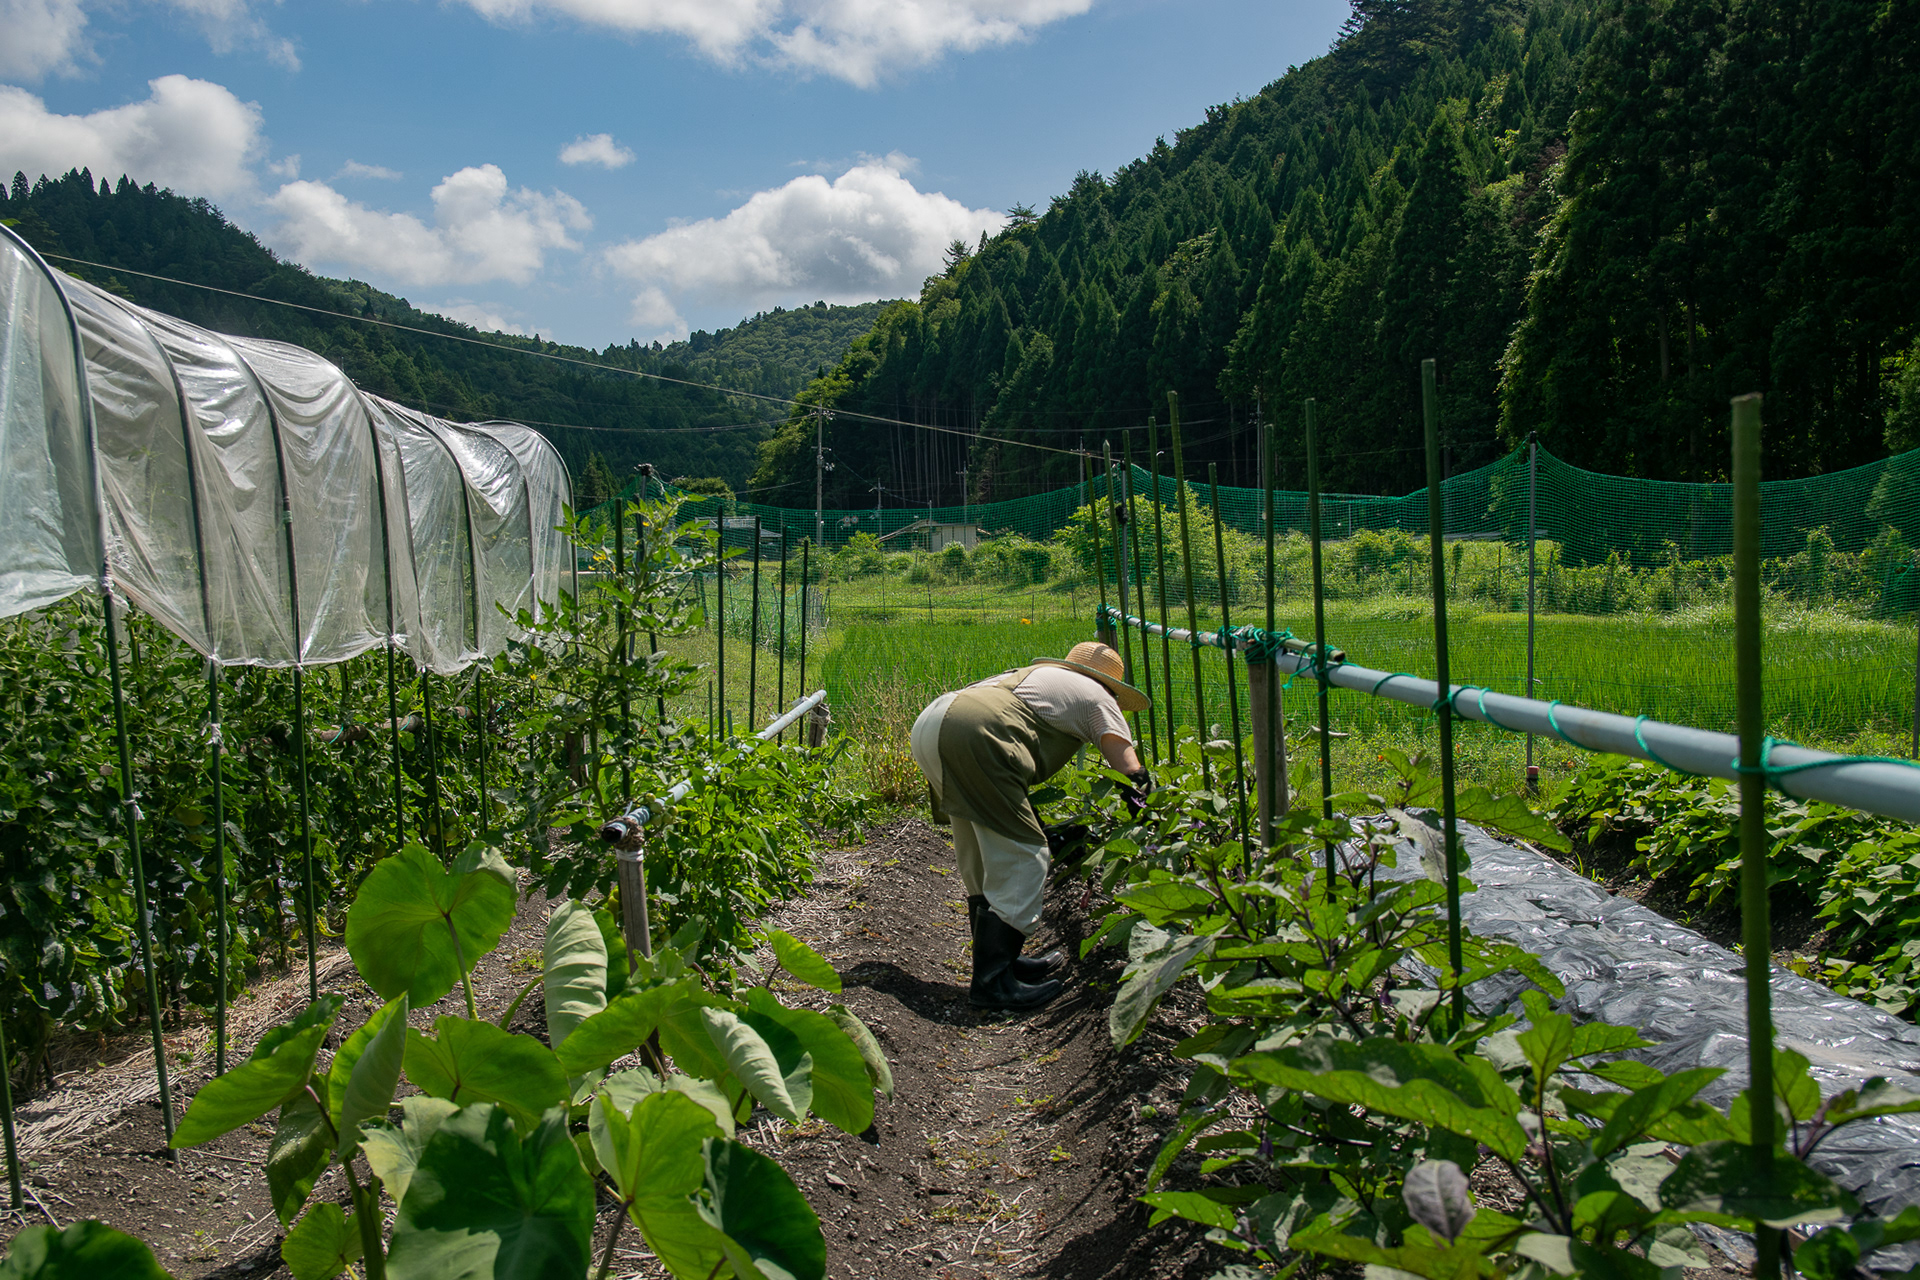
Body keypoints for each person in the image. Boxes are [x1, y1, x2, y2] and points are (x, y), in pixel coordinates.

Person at [910, 641, 1150, 1011]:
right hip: (977, 732)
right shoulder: (1098, 695)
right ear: (1111, 687)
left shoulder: (1039, 678)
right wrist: (1148, 803)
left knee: (979, 849)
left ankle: (1002, 962)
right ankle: (993, 984)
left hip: (935, 722)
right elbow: (1128, 764)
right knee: (1024, 854)